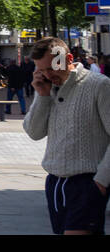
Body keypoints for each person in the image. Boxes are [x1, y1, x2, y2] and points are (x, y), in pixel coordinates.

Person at [22, 37, 110, 234]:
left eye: (52, 68)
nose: (47, 74)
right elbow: (34, 133)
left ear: (68, 58)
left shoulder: (99, 85)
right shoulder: (46, 86)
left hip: (87, 181)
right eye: (41, 69)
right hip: (55, 181)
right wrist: (42, 96)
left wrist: (101, 181)